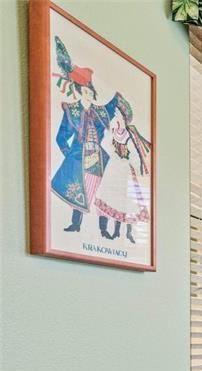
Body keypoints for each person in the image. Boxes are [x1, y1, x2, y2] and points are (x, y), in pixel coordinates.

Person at [49, 37, 118, 237]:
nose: (88, 95)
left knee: (93, 188)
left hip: (96, 155)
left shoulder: (98, 112)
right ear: (80, 91)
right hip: (78, 154)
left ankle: (101, 228)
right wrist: (69, 153)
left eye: (90, 92)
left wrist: (116, 99)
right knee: (78, 187)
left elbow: (110, 109)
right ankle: (76, 224)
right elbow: (61, 137)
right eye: (85, 91)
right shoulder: (72, 111)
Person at [93, 96, 152, 243]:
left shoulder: (128, 135)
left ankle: (123, 232)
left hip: (124, 170)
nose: (116, 118)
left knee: (125, 201)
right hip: (112, 169)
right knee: (108, 196)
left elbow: (135, 154)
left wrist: (134, 167)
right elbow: (104, 144)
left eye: (118, 115)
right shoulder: (112, 132)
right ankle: (104, 230)